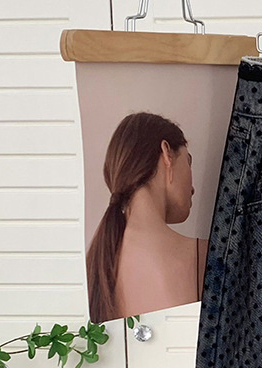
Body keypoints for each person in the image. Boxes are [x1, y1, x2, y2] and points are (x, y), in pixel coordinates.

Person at [85, 111, 205, 324]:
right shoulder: (205, 257)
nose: (193, 187)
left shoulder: (97, 268)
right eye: (188, 161)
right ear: (166, 154)